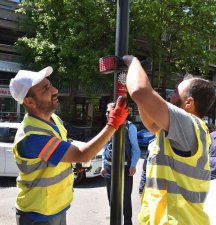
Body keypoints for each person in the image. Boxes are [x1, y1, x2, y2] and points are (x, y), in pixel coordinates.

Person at [9, 66, 128, 225]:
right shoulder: (32, 136)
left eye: (50, 84)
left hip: (56, 207)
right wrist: (113, 123)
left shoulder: (54, 120)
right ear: (29, 101)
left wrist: (75, 163)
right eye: (46, 89)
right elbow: (82, 154)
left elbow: (67, 150)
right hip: (37, 214)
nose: (55, 90)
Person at [123, 55, 216, 225]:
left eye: (174, 92)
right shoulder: (181, 130)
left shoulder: (190, 124)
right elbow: (151, 122)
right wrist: (144, 98)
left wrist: (133, 62)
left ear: (189, 102)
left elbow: (139, 91)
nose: (170, 95)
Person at [100, 103, 140, 225]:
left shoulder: (129, 127)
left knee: (125, 198)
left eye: (109, 111)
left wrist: (133, 165)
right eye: (106, 112)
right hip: (109, 167)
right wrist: (103, 165)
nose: (107, 114)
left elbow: (135, 149)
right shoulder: (108, 127)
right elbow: (106, 146)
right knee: (111, 198)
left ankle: (127, 222)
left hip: (125, 167)